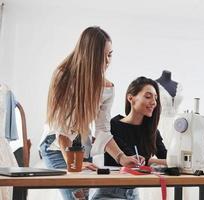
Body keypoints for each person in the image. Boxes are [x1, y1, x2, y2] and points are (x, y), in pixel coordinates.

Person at [39, 26, 141, 200]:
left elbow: (102, 130)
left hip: (81, 147)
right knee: (76, 197)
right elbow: (61, 131)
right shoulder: (63, 77)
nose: (108, 61)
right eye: (102, 56)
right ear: (89, 56)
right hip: (56, 147)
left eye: (110, 55)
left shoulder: (107, 88)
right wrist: (74, 167)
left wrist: (122, 158)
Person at [92, 76, 167, 200]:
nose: (153, 102)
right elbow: (132, 161)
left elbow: (168, 159)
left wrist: (153, 161)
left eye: (155, 98)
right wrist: (153, 161)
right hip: (109, 192)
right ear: (131, 98)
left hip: (133, 193)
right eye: (148, 97)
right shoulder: (113, 126)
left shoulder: (152, 131)